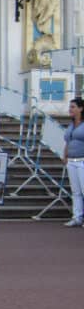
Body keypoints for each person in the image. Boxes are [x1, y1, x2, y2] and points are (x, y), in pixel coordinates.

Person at [62, 95, 84, 227]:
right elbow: (67, 142)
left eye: (73, 107)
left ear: (81, 108)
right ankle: (77, 216)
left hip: (82, 160)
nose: (70, 109)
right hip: (71, 160)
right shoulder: (71, 125)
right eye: (70, 107)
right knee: (75, 191)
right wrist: (65, 156)